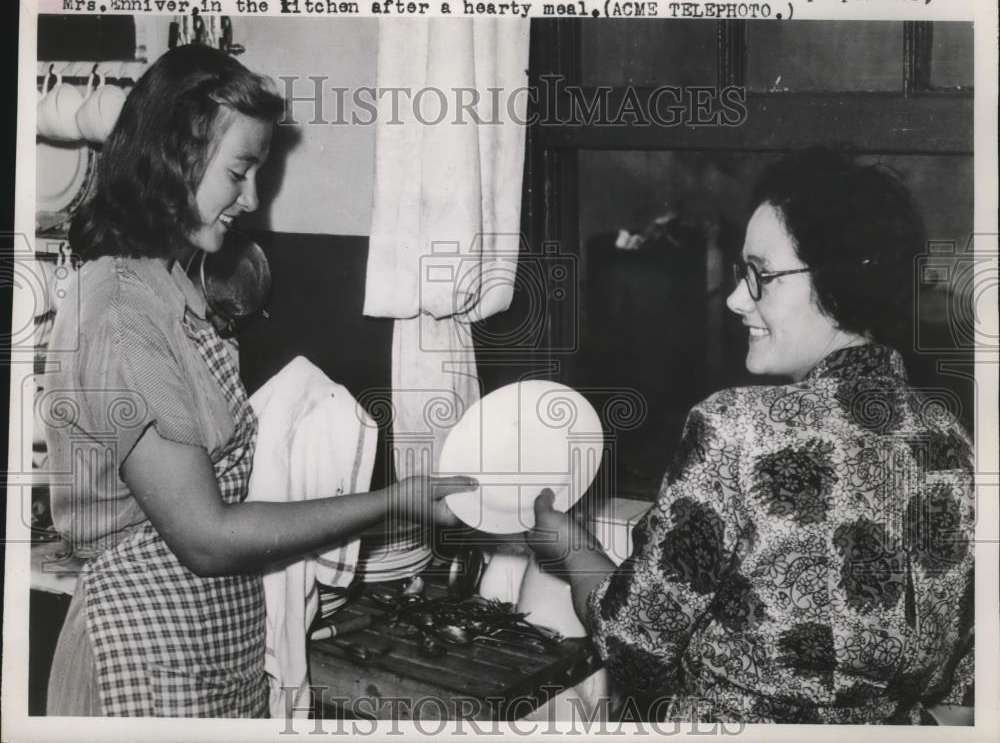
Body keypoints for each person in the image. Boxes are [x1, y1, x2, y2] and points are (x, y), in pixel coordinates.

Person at [44, 44, 474, 717]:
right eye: (238, 172)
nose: (250, 199)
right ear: (172, 160)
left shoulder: (171, 289)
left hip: (200, 656)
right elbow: (207, 537)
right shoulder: (122, 312)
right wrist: (396, 501)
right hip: (141, 656)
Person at [527, 148, 975, 724]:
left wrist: (571, 548)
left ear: (841, 278)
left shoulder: (735, 427)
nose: (738, 299)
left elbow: (635, 645)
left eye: (760, 275)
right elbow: (964, 674)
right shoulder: (951, 441)